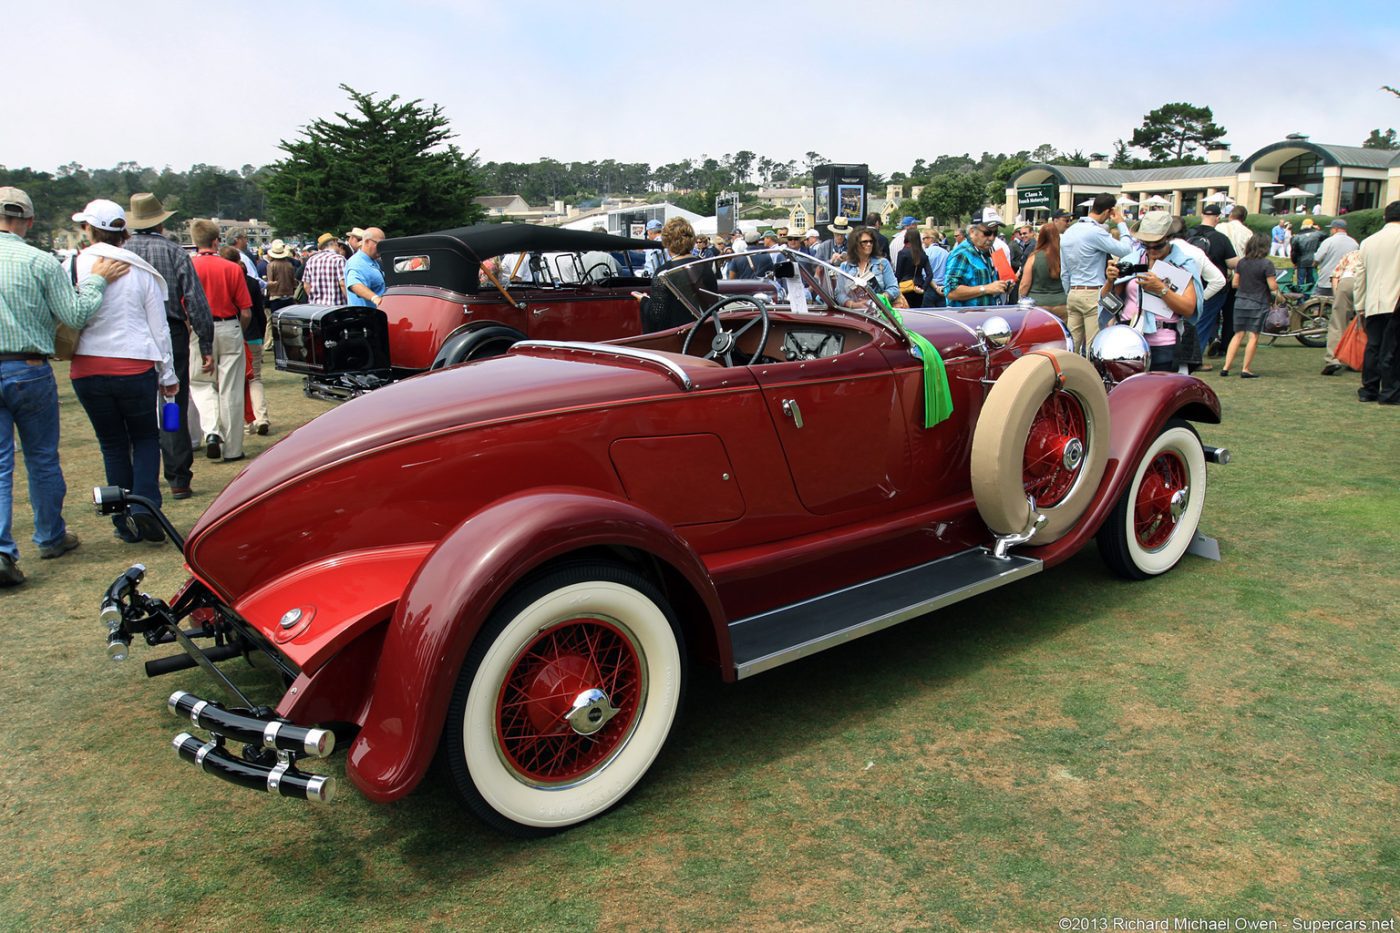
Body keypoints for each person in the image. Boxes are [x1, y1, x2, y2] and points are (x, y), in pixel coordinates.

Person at [0, 186, 130, 585]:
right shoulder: (39, 261)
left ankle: (3, 550)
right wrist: (95, 282)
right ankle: (49, 535)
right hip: (27, 366)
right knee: (40, 458)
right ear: (30, 221)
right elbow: (74, 314)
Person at [69, 199, 179, 544]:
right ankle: (144, 508)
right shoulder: (141, 270)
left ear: (88, 229)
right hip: (135, 363)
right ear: (123, 231)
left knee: (113, 445)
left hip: (88, 364)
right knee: (145, 438)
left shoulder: (74, 264)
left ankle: (121, 517)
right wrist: (168, 374)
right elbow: (158, 327)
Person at [124, 192, 214, 501]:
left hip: (130, 337)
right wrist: (206, 343)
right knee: (172, 403)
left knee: (138, 406)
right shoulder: (175, 252)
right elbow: (196, 302)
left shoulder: (121, 252)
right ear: (161, 221)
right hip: (170, 334)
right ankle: (178, 476)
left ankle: (141, 472)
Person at [1103, 212, 1201, 372]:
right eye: (1146, 245)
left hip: (1163, 344)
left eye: (1157, 245)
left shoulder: (1182, 264)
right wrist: (1110, 281)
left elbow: (1189, 309)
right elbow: (1108, 302)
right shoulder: (1132, 260)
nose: (1151, 250)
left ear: (1169, 238)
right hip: (1129, 341)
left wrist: (1161, 289)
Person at [189, 219, 251, 462]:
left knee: (200, 383)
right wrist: (239, 330)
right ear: (216, 241)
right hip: (229, 325)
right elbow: (246, 310)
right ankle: (234, 448)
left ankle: (212, 430)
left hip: (198, 329)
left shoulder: (189, 267)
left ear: (195, 242)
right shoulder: (232, 268)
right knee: (232, 389)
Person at [1060, 193, 1136, 352]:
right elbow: (1126, 250)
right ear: (1109, 211)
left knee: (1071, 346)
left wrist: (1070, 291)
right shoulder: (1095, 231)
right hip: (1093, 291)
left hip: (1074, 291)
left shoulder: (1069, 232)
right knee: (1093, 346)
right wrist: (1121, 223)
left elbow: (1064, 272)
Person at [1352, 200, 1400, 404]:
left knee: (1373, 346)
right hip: (1396, 301)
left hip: (1373, 301)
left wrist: (1360, 305)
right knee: (1394, 348)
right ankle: (1390, 391)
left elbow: (1359, 277)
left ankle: (1369, 388)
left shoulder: (1368, 242)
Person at [634, 217, 717, 333]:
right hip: (704, 332)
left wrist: (643, 300)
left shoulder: (664, 272)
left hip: (678, 337)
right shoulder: (705, 266)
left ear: (667, 242)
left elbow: (656, 314)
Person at [222, 246, 269, 436]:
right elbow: (259, 310)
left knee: (234, 381)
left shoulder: (224, 281)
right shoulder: (251, 282)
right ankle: (261, 417)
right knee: (255, 379)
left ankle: (246, 422)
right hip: (254, 334)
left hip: (233, 333)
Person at [1220, 233, 1279, 378]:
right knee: (1253, 336)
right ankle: (1245, 369)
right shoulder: (1267, 264)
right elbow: (1272, 286)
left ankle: (1226, 367)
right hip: (1258, 302)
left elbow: (1235, 283)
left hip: (1240, 301)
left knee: (1238, 334)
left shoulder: (1242, 263)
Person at [1187, 204, 1238, 356]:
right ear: (1217, 218)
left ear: (1202, 215)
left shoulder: (1188, 235)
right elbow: (1232, 262)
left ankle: (1189, 352)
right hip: (1214, 286)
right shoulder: (1221, 238)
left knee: (1188, 321)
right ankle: (1195, 358)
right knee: (1204, 322)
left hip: (1189, 284)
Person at [944, 212, 1008, 308]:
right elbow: (950, 292)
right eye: (987, 233)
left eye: (995, 233)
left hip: (986, 316)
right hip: (967, 319)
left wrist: (1001, 286)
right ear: (972, 231)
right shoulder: (961, 254)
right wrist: (985, 289)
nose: (992, 238)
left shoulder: (988, 251)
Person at [1320, 247, 1361, 375]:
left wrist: (1336, 295)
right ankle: (1359, 360)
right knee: (1365, 324)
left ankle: (1333, 359)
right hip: (1366, 281)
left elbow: (1335, 276)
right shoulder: (1376, 253)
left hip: (1347, 281)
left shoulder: (1350, 254)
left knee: (1338, 322)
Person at [1016, 222, 1069, 321]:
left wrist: (1021, 300)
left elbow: (1024, 284)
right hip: (1062, 304)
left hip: (1038, 305)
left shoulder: (1034, 257)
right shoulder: (1064, 256)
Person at [838, 226, 899, 306]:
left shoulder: (883, 263)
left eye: (871, 241)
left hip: (879, 311)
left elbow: (894, 288)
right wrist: (853, 305)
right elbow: (839, 293)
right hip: (854, 313)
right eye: (865, 242)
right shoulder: (845, 266)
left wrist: (878, 299)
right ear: (855, 244)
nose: (869, 244)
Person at [1313, 219, 1359, 300]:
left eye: (1331, 228)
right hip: (1346, 280)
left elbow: (1317, 258)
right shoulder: (1354, 243)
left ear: (1336, 229)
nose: (1330, 230)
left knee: (1319, 304)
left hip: (1326, 280)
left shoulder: (1328, 241)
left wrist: (1314, 265)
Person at [301, 233, 348, 305]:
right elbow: (343, 284)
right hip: (336, 307)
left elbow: (306, 285)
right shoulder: (339, 259)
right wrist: (349, 301)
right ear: (334, 243)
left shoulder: (311, 260)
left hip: (317, 308)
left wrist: (314, 300)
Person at [345, 227, 386, 307]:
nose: (382, 248)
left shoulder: (372, 260)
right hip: (365, 317)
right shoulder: (357, 262)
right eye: (379, 244)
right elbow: (355, 284)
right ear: (367, 242)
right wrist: (375, 298)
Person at [893, 228, 934, 307]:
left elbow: (898, 274)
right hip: (919, 287)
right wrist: (923, 288)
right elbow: (930, 274)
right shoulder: (923, 254)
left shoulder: (903, 253)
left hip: (904, 287)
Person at [1291, 218, 1325, 290]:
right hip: (1313, 259)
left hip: (1301, 260)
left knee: (1300, 280)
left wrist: (1294, 261)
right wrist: (1318, 229)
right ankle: (1310, 295)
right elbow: (1325, 237)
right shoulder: (1317, 234)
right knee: (1311, 279)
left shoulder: (1297, 237)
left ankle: (1300, 297)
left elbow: (1294, 251)